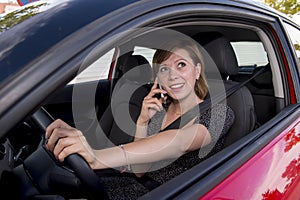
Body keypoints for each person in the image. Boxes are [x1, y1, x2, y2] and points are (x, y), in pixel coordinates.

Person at [45, 39, 235, 199]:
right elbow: (139, 170)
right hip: (135, 185)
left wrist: (97, 157)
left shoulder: (219, 113)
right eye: (163, 70)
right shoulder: (160, 110)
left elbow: (180, 142)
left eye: (181, 65)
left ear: (197, 70)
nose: (172, 76)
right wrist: (142, 122)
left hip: (171, 193)